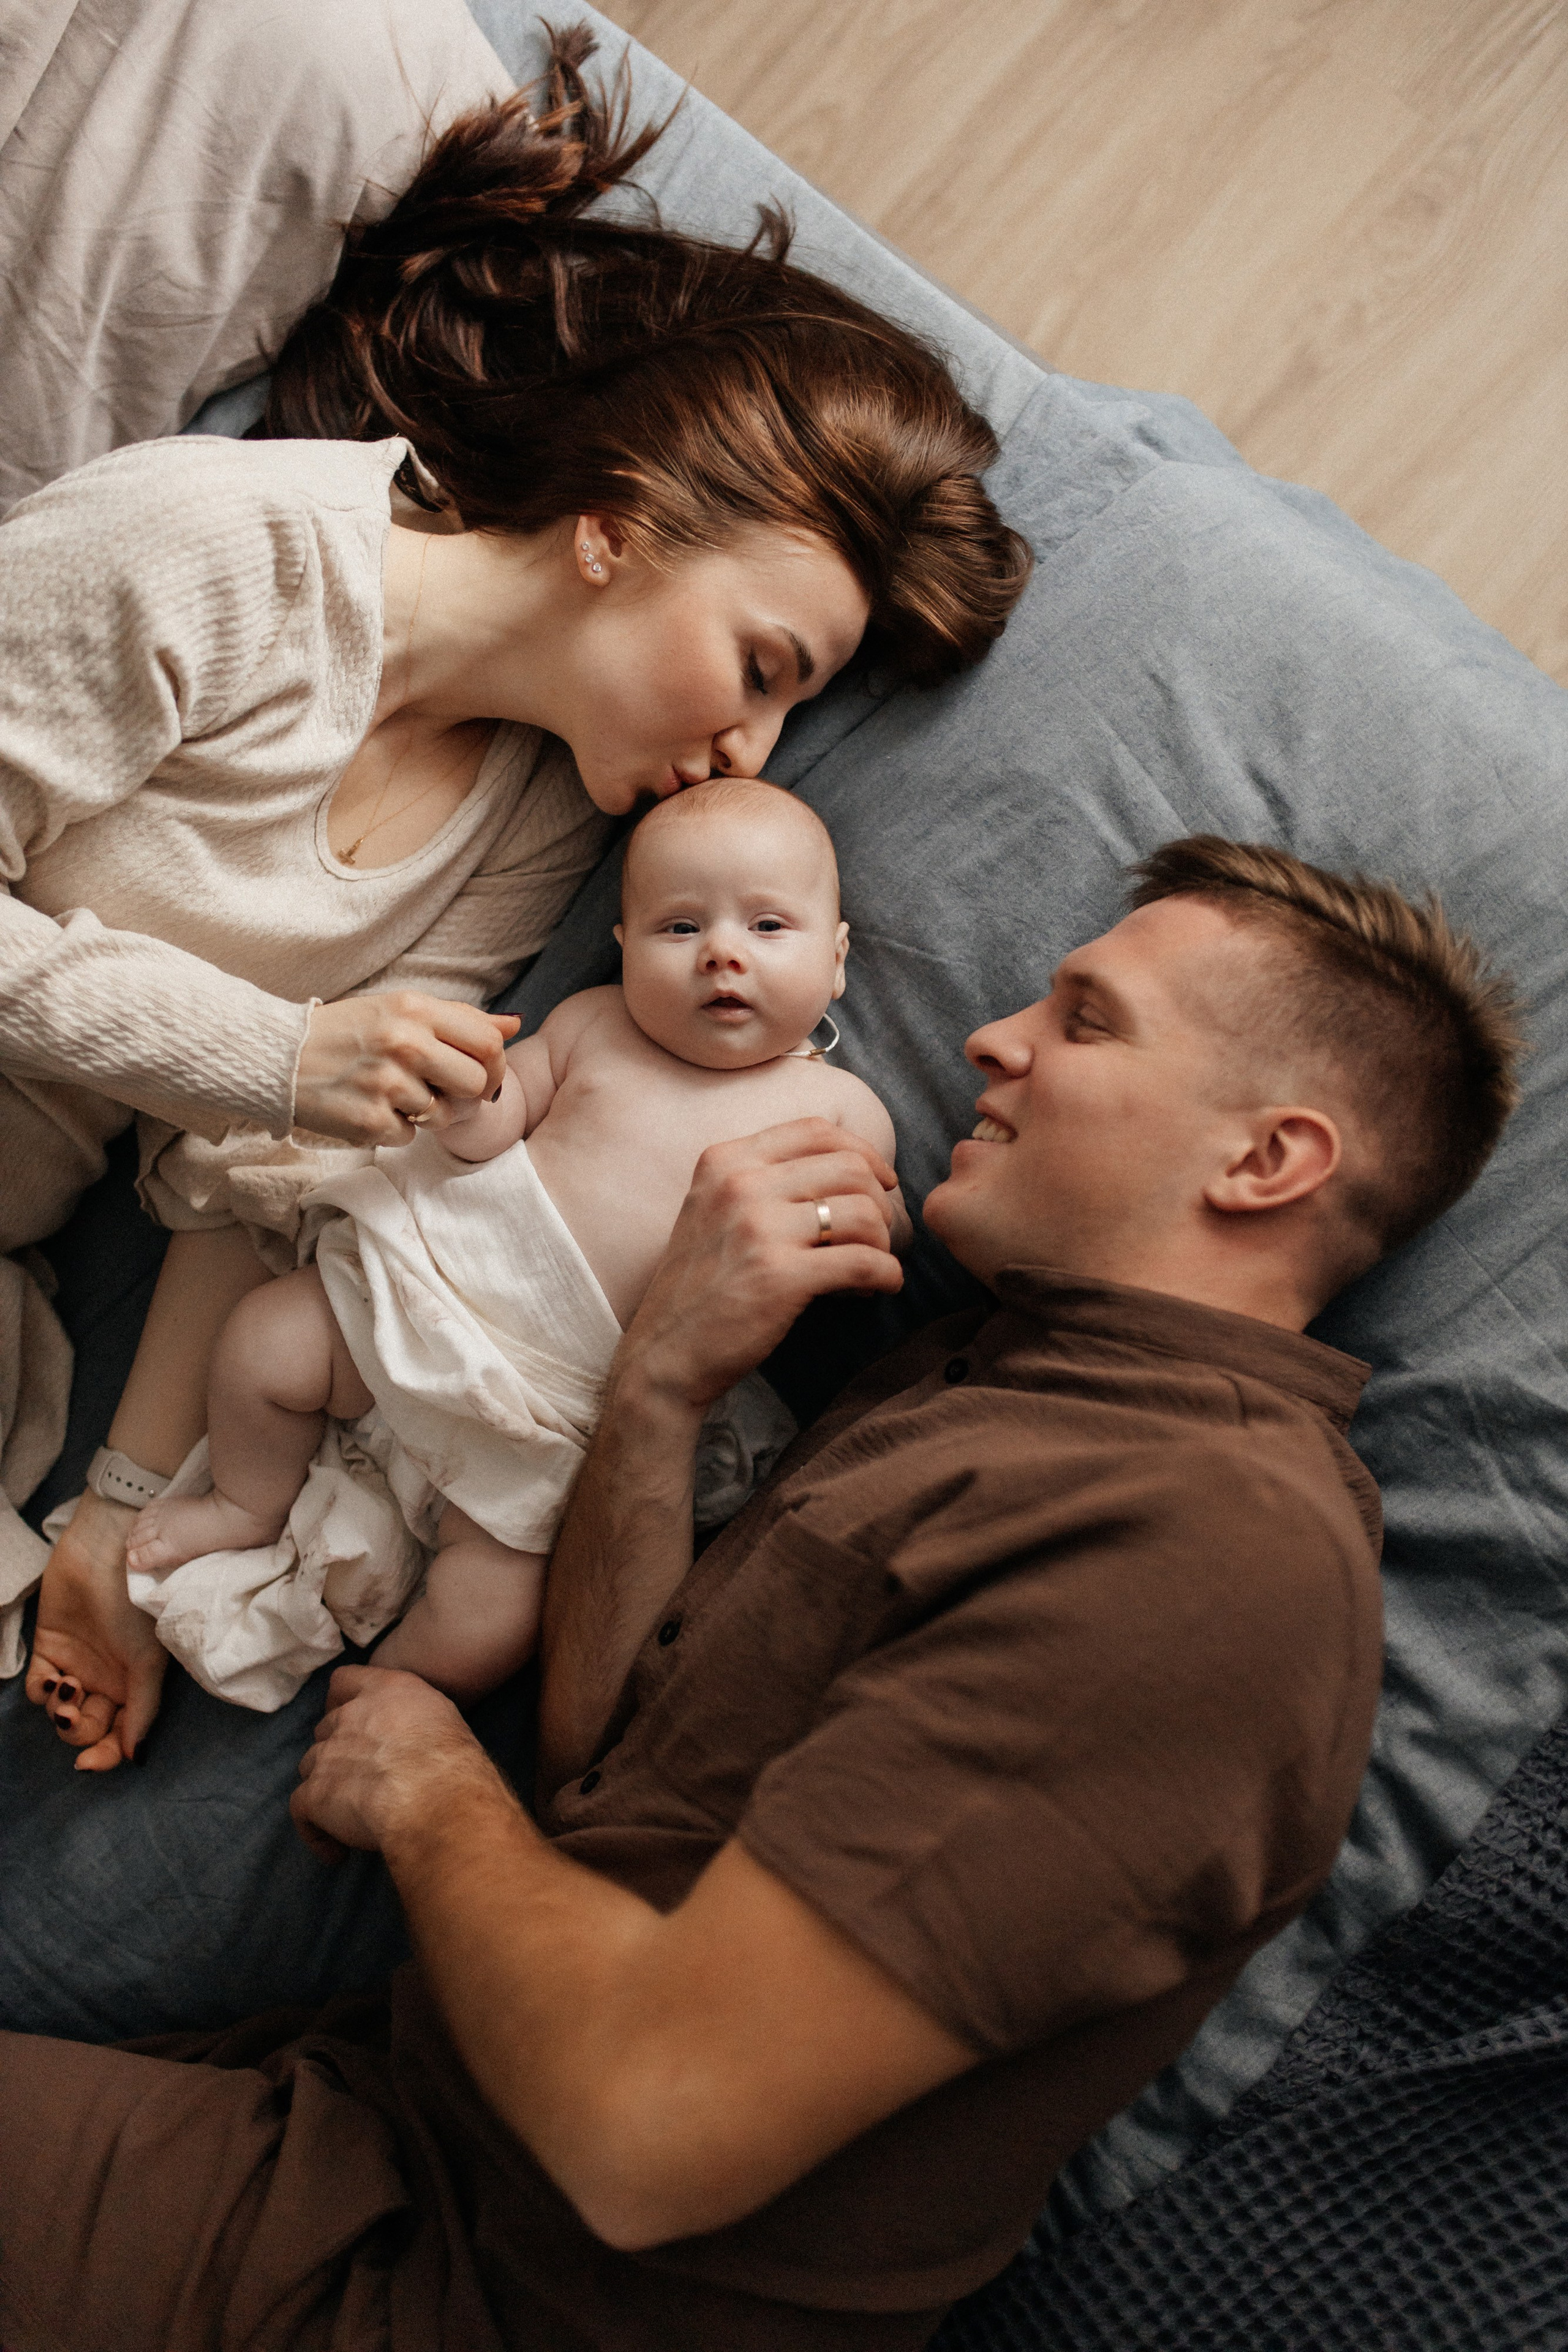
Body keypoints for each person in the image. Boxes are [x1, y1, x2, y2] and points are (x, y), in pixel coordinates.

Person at [0, 837, 1522, 2352]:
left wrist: (426, 1791)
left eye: (1084, 1020)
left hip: (499, 2295)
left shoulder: (1208, 1554)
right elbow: (605, 1774)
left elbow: (645, 2125)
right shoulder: (994, 1387)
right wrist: (660, 1379)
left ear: (1265, 1161)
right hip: (385, 2129)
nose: (991, 1039)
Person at [4, 24, 1031, 1768]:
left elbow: (259, 1175)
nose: (750, 752)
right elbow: (273, 1081)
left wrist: (117, 1516)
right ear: (616, 524)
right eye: (760, 667)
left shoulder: (538, 835)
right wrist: (280, 1056)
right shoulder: (217, 552)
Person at [118, 780, 907, 1707]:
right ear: (624, 948)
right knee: (266, 1340)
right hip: (434, 1289)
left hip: (559, 1409)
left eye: (768, 927)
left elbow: (872, 1236)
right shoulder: (593, 1026)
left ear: (836, 960)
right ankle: (243, 1504)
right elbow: (494, 1125)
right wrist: (472, 1096)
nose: (722, 953)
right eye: (680, 928)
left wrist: (866, 1232)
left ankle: (382, 1697)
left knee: (495, 1621)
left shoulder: (839, 1111)